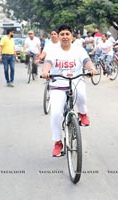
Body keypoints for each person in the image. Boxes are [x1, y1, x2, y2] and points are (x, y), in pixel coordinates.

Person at [41, 24, 97, 157]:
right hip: (58, 85)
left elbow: (87, 61)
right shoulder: (53, 51)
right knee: (55, 114)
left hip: (75, 82)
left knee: (82, 94)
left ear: (72, 36)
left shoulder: (79, 50)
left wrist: (91, 69)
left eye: (67, 34)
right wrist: (45, 71)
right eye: (62, 34)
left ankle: (83, 114)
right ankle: (58, 142)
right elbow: (47, 63)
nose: (65, 37)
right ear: (59, 37)